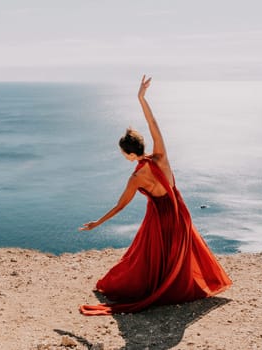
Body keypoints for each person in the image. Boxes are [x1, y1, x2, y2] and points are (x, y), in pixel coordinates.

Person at [79, 75, 232, 315]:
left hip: (160, 220)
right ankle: (175, 288)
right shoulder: (161, 157)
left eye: (122, 153)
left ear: (130, 154)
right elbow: (153, 122)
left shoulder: (136, 177)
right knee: (170, 257)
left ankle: (158, 290)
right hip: (181, 215)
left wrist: (97, 223)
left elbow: (120, 206)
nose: (123, 156)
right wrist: (141, 97)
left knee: (145, 258)